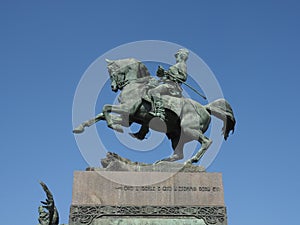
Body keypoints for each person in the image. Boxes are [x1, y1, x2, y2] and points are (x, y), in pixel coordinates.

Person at [148, 48, 189, 120]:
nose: (176, 57)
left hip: (172, 86)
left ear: (182, 56)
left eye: (177, 55)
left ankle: (160, 111)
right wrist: (162, 73)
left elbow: (183, 77)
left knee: (154, 91)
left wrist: (172, 76)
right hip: (168, 84)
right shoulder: (176, 65)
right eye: (176, 56)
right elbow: (164, 78)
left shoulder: (181, 65)